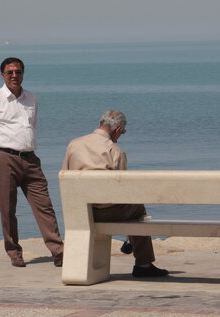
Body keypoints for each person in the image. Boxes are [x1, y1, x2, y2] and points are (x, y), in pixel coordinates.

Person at [0, 57, 64, 268]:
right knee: (7, 209)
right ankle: (14, 251)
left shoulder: (31, 98)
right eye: (10, 72)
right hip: (4, 158)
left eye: (18, 72)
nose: (14, 75)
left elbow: (32, 125)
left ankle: (58, 251)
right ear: (2, 75)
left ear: (23, 73)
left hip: (31, 159)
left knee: (45, 206)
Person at [61, 110, 168, 277]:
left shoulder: (74, 144)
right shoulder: (115, 151)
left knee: (134, 206)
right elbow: (123, 191)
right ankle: (143, 263)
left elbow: (65, 176)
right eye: (122, 132)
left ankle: (130, 241)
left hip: (80, 212)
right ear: (117, 130)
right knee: (138, 207)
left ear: (100, 124)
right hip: (106, 213)